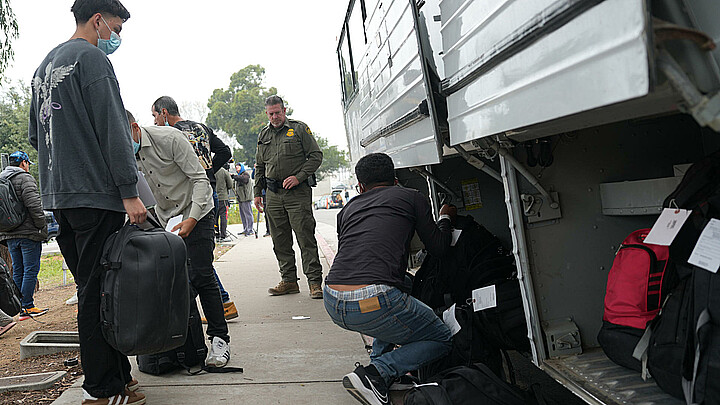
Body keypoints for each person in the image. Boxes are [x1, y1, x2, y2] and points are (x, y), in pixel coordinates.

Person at [28, 1, 147, 404]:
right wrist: (129, 192)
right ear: (98, 21)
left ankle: (122, 377)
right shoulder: (92, 59)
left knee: (95, 288)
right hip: (97, 198)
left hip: (60, 196)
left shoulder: (43, 66)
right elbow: (114, 129)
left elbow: (35, 136)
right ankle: (103, 389)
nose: (116, 37)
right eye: (115, 27)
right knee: (99, 294)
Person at [324, 153, 455, 405]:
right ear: (395, 180)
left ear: (360, 186)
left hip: (333, 301)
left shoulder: (347, 208)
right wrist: (445, 218)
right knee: (440, 338)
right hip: (373, 302)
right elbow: (439, 248)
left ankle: (379, 372)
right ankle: (376, 373)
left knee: (403, 285)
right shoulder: (412, 198)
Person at [127, 110, 232, 368]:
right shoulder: (124, 154)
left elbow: (200, 180)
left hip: (198, 209)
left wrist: (193, 219)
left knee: (201, 274)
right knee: (175, 282)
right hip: (166, 219)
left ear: (134, 128)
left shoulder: (170, 138)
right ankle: (183, 343)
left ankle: (220, 339)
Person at [151, 96, 238, 320]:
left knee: (196, 262)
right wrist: (209, 172)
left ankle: (209, 304)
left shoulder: (171, 135)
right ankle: (222, 302)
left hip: (190, 198)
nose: (155, 123)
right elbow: (225, 152)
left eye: (155, 117)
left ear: (163, 113)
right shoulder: (202, 128)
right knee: (200, 260)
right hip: (209, 193)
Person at [254, 95, 324, 299]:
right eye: (271, 113)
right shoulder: (264, 134)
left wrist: (299, 177)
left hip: (297, 193)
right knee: (280, 240)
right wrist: (257, 193)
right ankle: (289, 281)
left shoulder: (299, 129)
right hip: (273, 195)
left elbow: (316, 156)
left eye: (277, 112)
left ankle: (314, 282)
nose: (275, 116)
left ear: (284, 110)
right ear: (266, 114)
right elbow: (260, 166)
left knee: (305, 237)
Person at [0, 152, 49, 319]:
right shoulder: (24, 178)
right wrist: (42, 225)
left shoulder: (2, 178)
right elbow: (34, 204)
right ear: (23, 163)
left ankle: (19, 306)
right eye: (28, 163)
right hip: (28, 232)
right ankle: (27, 306)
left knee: (18, 270)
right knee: (30, 269)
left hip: (9, 233)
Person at [232, 164, 254, 236]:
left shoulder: (245, 174)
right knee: (242, 215)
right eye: (236, 167)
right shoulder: (239, 176)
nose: (237, 168)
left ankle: (250, 229)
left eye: (238, 166)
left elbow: (244, 179)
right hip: (240, 198)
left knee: (248, 214)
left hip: (245, 198)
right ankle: (245, 229)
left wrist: (233, 176)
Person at [215, 164, 234, 242]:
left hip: (213, 197)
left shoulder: (212, 170)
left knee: (215, 217)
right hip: (223, 198)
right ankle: (223, 235)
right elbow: (230, 184)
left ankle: (216, 235)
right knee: (223, 216)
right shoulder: (224, 171)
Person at [251, 164, 270, 237]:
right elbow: (254, 177)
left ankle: (270, 230)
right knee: (266, 212)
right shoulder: (259, 168)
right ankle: (268, 230)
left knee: (269, 212)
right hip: (263, 193)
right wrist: (255, 168)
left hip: (268, 192)